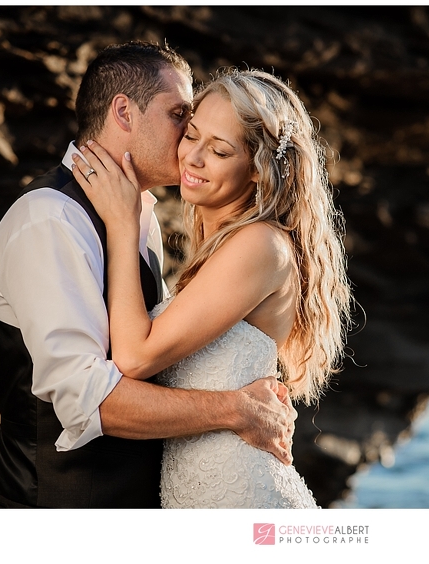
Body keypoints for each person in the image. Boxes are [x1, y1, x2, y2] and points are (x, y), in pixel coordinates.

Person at [0, 42, 296, 509]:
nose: (188, 135)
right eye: (179, 115)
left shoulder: (137, 215)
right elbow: (89, 399)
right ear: (124, 113)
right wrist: (237, 409)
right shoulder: (50, 219)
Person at [72, 68, 352, 508]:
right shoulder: (221, 244)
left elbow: (134, 357)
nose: (193, 158)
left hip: (240, 497)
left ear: (258, 169)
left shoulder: (259, 245)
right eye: (191, 135)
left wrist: (122, 225)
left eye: (220, 150)